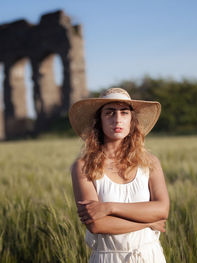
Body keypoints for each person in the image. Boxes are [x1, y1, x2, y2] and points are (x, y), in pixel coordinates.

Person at [68, 88, 169, 263]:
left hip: (150, 256)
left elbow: (162, 210)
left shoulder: (150, 162)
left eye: (124, 112)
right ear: (98, 121)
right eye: (109, 113)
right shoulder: (83, 167)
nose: (117, 119)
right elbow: (96, 225)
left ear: (132, 120)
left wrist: (109, 207)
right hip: (108, 258)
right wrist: (148, 222)